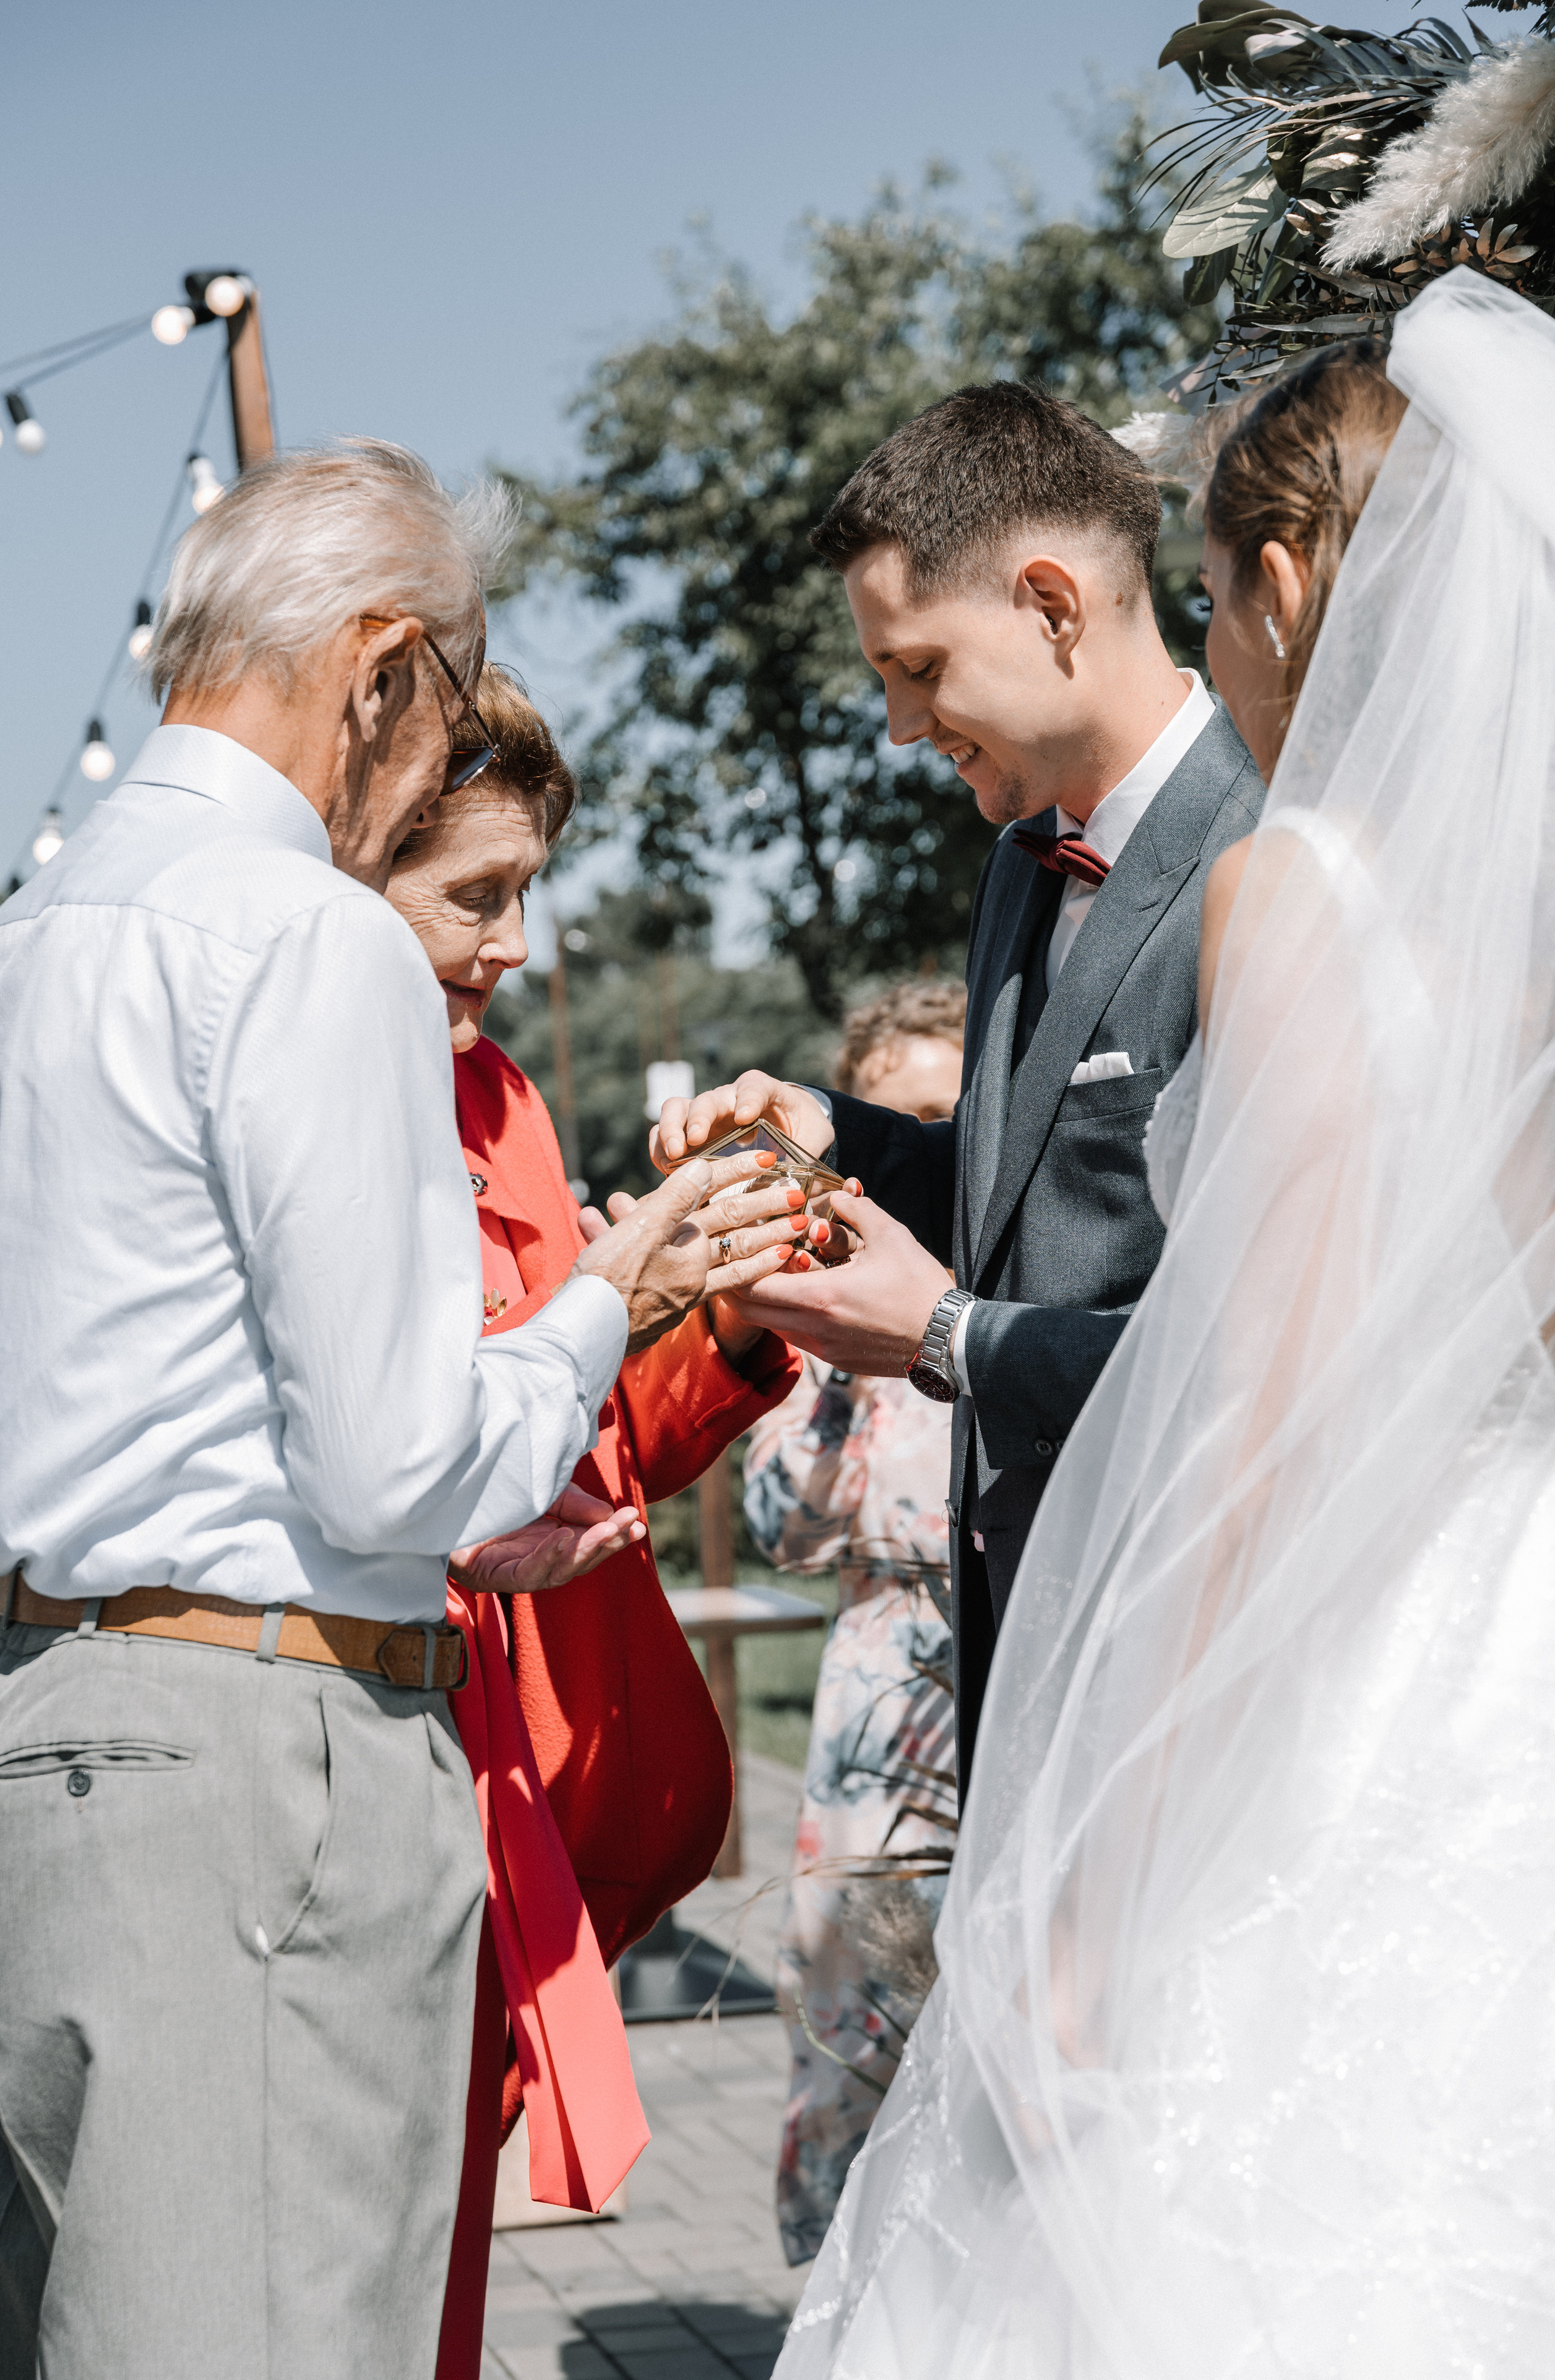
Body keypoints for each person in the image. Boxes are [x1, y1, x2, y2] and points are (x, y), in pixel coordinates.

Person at [778, 269, 1555, 2374]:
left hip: (1310, 1684)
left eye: (1217, 595)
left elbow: (1267, 1399)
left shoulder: (1289, 885)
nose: (1213, 639)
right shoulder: (1520, 970)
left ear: (1286, 583)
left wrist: (1103, 1870)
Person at [0, 440, 762, 2380]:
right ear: (385, 669)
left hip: (42, 1717)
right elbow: (402, 1461)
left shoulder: (14, 949)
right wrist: (609, 1292)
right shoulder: (300, 934)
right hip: (262, 1748)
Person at [651, 382, 1268, 1794]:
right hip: (1023, 1657)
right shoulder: (1014, 864)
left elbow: (1259, 1344)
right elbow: (1028, 1182)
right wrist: (840, 1141)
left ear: (1052, 604)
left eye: (915, 667)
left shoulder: (1268, 847)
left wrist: (938, 1333)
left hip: (1206, 1649)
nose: (894, 724)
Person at [379, 662, 804, 2380]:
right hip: (378, 1759)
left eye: (531, 891)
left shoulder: (505, 1105)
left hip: (534, 1793)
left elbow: (598, 1448)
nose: (519, 945)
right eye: (477, 896)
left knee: (435, 2290)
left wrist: (738, 1312)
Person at [744, 980, 964, 2266]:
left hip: (993, 1667)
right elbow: (785, 1522)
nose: (921, 1152)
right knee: (853, 2038)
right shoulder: (832, 1313)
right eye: (900, 1120)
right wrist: (838, 1366)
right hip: (877, 1689)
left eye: (947, 1116)